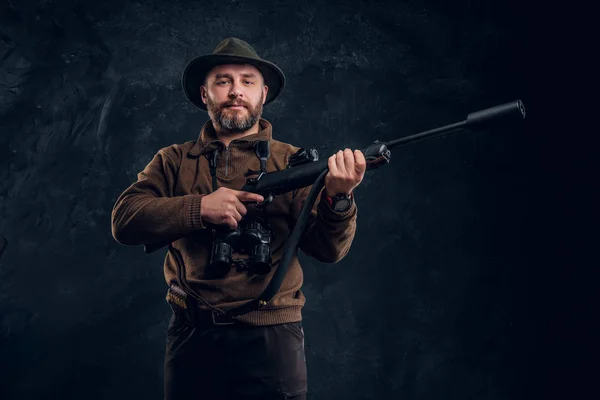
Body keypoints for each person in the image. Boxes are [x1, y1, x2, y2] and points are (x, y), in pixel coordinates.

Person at [111, 37, 366, 400]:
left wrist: (339, 197)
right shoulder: (172, 160)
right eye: (223, 81)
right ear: (205, 94)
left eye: (247, 81)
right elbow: (125, 220)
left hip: (272, 339)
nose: (236, 91)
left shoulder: (295, 163)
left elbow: (328, 250)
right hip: (191, 336)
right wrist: (200, 209)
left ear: (263, 94)